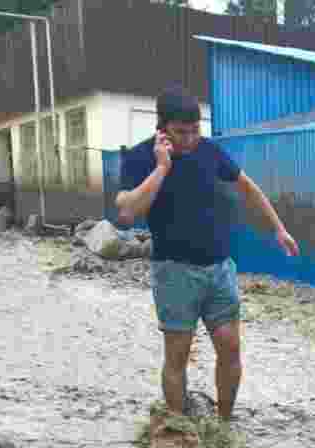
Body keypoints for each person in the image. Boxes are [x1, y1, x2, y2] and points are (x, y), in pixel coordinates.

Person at [115, 85, 299, 421]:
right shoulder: (141, 157)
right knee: (178, 354)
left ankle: (225, 422)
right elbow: (126, 212)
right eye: (180, 132)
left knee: (230, 347)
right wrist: (161, 168)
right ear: (162, 129)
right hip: (174, 272)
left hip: (219, 269)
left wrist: (279, 228)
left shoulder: (210, 152)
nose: (189, 139)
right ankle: (176, 425)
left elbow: (249, 188)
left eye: (195, 131)